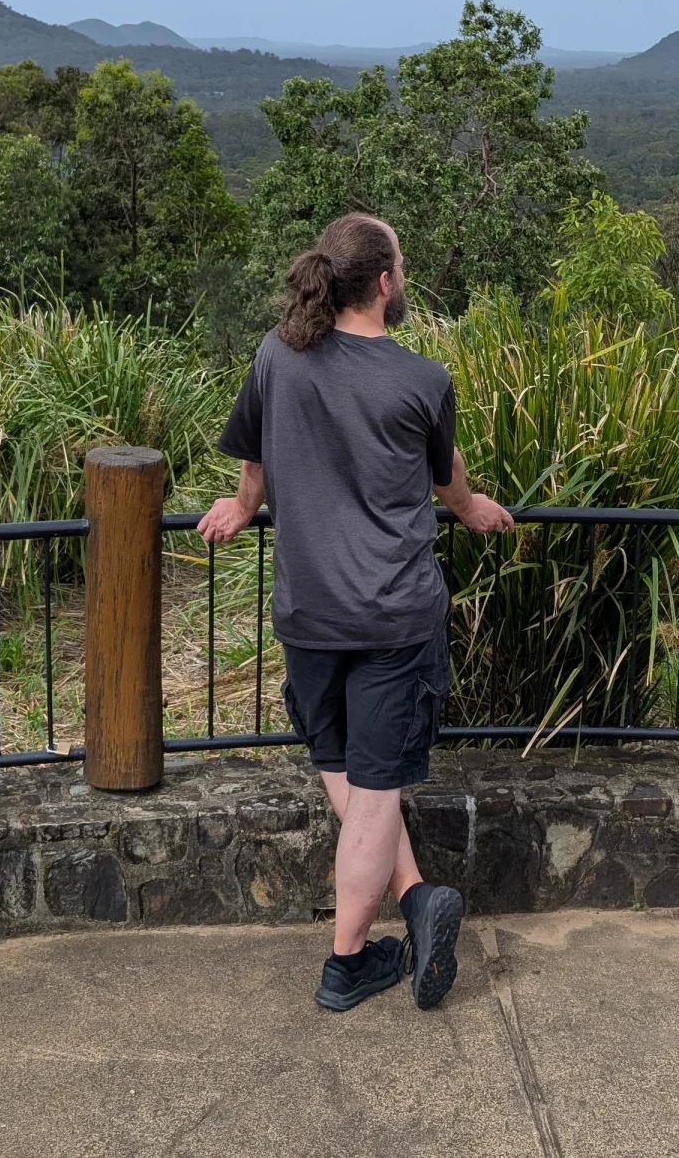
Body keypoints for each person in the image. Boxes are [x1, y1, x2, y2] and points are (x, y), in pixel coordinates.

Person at [198, 213, 514, 1011]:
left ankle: (416, 900)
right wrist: (473, 507)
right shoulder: (419, 380)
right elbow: (449, 481)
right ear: (383, 282)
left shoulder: (277, 357)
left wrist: (242, 507)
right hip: (392, 616)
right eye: (401, 264)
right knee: (373, 790)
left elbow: (255, 458)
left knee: (339, 767)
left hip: (308, 609)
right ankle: (346, 963)